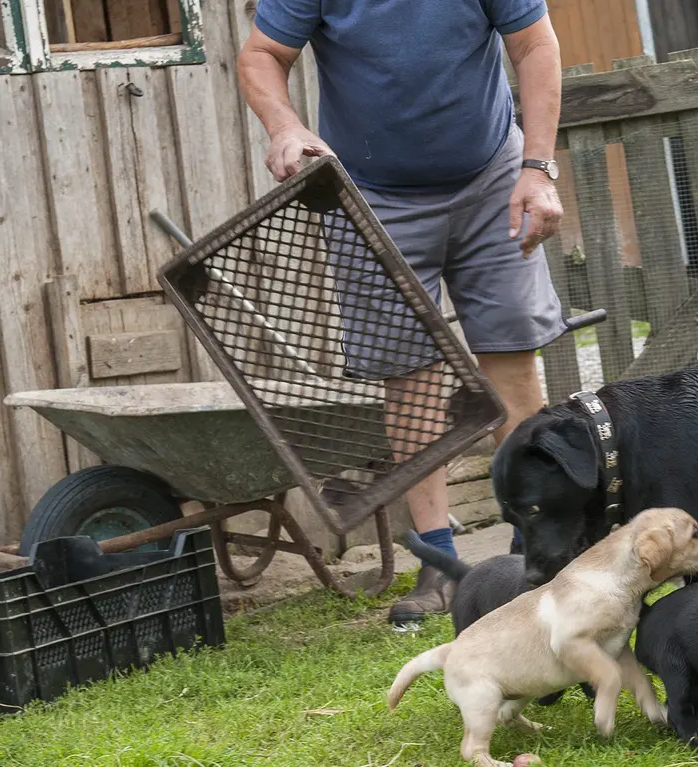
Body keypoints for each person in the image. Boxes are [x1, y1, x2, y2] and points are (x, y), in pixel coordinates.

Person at [237, 0, 567, 626]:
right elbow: (261, 54)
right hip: (372, 194)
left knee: (511, 361)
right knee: (410, 377)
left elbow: (535, 46)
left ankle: (534, 548)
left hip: (494, 176)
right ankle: (439, 562)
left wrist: (537, 168)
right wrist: (285, 127)